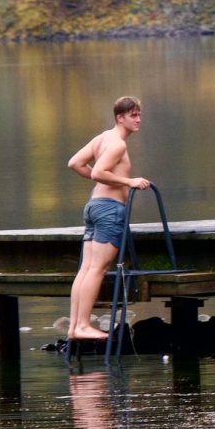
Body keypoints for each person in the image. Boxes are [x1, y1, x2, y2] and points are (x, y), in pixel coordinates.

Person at [63, 95, 150, 345]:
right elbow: (100, 172)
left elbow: (75, 163)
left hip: (94, 207)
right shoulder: (118, 145)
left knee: (87, 268)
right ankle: (81, 326)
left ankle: (75, 326)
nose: (138, 119)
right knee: (97, 269)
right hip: (110, 211)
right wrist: (128, 182)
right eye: (132, 115)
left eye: (139, 114)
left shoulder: (103, 138)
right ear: (119, 118)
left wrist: (99, 180)